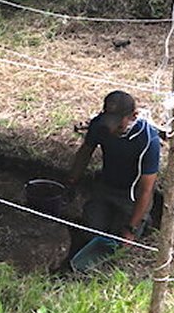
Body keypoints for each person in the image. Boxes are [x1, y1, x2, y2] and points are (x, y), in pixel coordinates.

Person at [67, 91, 161, 244]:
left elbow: (146, 190)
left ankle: (144, 221)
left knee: (119, 240)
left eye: (118, 124)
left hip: (131, 196)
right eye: (108, 122)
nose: (111, 128)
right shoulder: (99, 125)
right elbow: (85, 152)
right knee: (91, 232)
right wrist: (72, 180)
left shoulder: (148, 140)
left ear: (133, 116)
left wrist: (131, 228)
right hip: (105, 188)